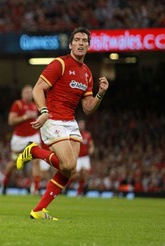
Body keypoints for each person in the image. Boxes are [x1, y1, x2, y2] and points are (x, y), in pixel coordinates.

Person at [16, 27, 109, 220]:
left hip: (71, 122)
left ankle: (38, 210)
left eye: (85, 40)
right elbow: (37, 89)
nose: (81, 43)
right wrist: (43, 111)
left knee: (70, 170)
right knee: (68, 164)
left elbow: (88, 108)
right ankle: (34, 151)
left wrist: (100, 93)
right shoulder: (60, 63)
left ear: (89, 46)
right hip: (52, 118)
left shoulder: (87, 74)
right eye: (77, 39)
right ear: (70, 44)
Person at [1, 84, 40, 195]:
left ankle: (35, 188)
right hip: (19, 138)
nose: (29, 94)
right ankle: (5, 182)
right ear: (22, 94)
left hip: (33, 136)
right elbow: (11, 121)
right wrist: (25, 117)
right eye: (26, 92)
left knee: (37, 160)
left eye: (30, 92)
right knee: (14, 163)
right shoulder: (17, 104)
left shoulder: (34, 106)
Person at [75, 119, 95, 196]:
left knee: (85, 173)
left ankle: (80, 191)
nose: (81, 126)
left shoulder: (87, 135)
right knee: (75, 174)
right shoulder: (74, 134)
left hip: (85, 157)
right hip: (77, 157)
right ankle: (68, 186)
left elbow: (91, 145)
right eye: (80, 125)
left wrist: (91, 150)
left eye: (83, 125)